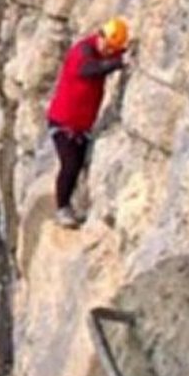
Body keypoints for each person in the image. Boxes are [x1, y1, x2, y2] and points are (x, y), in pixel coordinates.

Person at [46, 17, 131, 229]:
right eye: (107, 46)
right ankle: (62, 208)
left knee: (80, 164)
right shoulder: (82, 52)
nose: (108, 51)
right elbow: (90, 69)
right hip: (63, 123)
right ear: (99, 35)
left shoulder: (103, 53)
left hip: (81, 127)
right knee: (70, 165)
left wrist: (125, 54)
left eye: (112, 49)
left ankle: (77, 203)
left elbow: (109, 60)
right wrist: (119, 62)